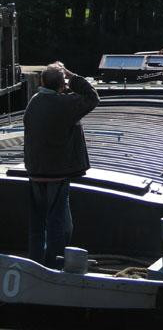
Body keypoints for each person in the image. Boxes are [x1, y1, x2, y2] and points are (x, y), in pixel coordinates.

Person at [23, 62, 99, 268]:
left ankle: (34, 264)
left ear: (42, 82)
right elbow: (93, 98)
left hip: (34, 172)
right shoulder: (65, 104)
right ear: (62, 84)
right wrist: (72, 76)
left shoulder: (34, 102)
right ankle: (52, 267)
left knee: (37, 225)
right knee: (60, 225)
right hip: (56, 173)